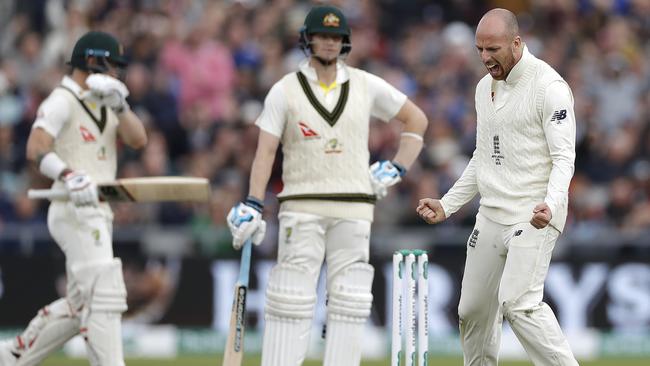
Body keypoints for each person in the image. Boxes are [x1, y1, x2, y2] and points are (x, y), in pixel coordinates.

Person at [227, 5, 427, 366]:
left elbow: (416, 119)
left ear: (345, 42)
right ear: (308, 39)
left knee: (350, 302)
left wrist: (397, 167)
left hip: (354, 208)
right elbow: (265, 152)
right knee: (290, 299)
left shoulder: (365, 85)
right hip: (301, 206)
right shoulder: (284, 90)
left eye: (336, 37)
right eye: (323, 35)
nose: (330, 43)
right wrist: (254, 203)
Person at [416, 8, 578, 366]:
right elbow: (482, 157)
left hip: (533, 213)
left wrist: (551, 203)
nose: (485, 58)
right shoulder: (483, 89)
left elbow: (564, 158)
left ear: (517, 43)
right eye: (479, 50)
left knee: (519, 304)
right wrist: (447, 204)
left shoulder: (549, 88)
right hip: (491, 213)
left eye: (493, 49)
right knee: (472, 310)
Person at [0, 31, 147, 366]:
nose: (116, 74)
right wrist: (68, 174)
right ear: (93, 60)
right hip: (72, 208)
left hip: (99, 210)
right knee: (104, 292)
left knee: (80, 303)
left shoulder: (106, 101)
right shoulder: (61, 100)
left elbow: (139, 140)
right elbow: (35, 148)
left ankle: (12, 355)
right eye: (112, 65)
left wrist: (120, 106)